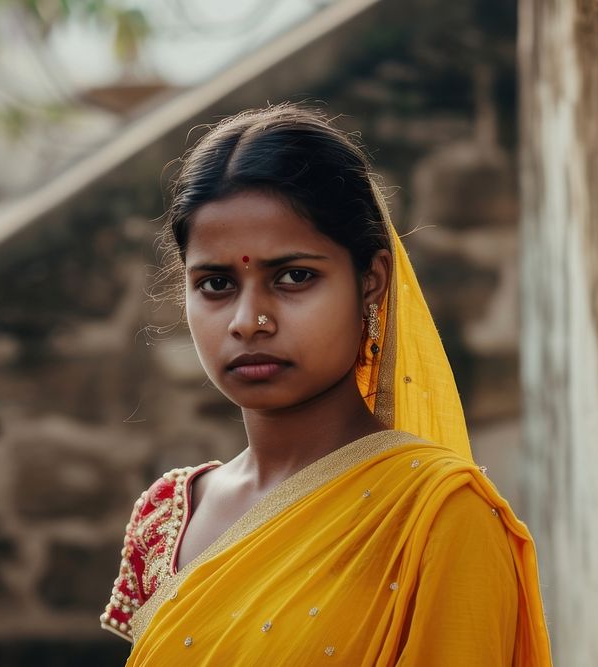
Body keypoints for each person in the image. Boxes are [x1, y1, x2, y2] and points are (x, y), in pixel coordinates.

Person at [100, 103, 553, 665]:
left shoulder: (438, 515)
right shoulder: (168, 514)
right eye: (216, 283)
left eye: (293, 277)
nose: (248, 319)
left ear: (372, 281)